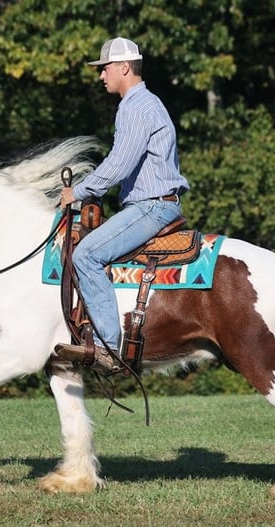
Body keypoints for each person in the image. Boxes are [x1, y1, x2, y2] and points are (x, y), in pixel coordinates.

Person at [56, 37, 189, 375]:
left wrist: (80, 192)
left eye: (105, 69)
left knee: (86, 254)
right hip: (152, 205)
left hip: (151, 208)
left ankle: (106, 348)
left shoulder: (136, 107)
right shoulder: (146, 104)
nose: (101, 76)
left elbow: (119, 164)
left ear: (124, 67)